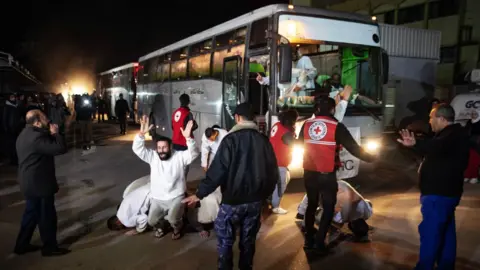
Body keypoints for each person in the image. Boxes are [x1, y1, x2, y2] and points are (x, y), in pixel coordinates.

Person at [183, 103, 279, 270]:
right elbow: (273, 173)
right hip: (255, 202)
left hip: (232, 202)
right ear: (254, 119)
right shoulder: (263, 141)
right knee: (248, 242)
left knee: (225, 242)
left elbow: (217, 172)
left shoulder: (230, 140)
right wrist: (264, 198)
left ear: (237, 118)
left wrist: (199, 194)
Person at [298, 97, 376, 253]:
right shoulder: (336, 126)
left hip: (309, 172)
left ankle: (308, 241)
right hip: (327, 174)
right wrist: (372, 158)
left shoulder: (306, 125)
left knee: (312, 205)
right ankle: (320, 242)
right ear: (333, 110)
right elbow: (354, 149)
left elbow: (300, 144)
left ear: (316, 109)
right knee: (328, 207)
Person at [397, 104, 469, 270]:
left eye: (431, 117)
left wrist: (415, 143)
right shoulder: (453, 135)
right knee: (446, 232)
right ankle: (445, 265)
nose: (429, 121)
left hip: (439, 194)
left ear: (442, 119)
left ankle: (425, 266)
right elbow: (434, 150)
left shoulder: (451, 136)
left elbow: (434, 147)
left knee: (431, 233)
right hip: (447, 193)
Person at [132, 115, 198, 240]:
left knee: (174, 219)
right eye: (159, 148)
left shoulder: (179, 156)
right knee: (151, 221)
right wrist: (141, 134)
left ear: (170, 147)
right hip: (158, 198)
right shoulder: (153, 156)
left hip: (176, 196)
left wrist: (188, 138)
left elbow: (194, 153)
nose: (161, 150)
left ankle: (178, 227)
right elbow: (137, 149)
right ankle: (162, 226)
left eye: (164, 147)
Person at [14, 110, 69, 256]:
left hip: (29, 182)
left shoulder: (24, 134)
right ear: (37, 122)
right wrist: (56, 133)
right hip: (40, 184)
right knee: (47, 217)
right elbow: (60, 148)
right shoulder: (36, 138)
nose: (48, 120)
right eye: (45, 118)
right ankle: (49, 247)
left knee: (31, 214)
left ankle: (21, 244)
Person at [300, 180, 373, 242]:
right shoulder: (366, 212)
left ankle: (333, 230)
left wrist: (304, 223)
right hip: (349, 208)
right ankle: (335, 228)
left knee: (319, 214)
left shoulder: (367, 212)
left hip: (340, 210)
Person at [269, 109, 298, 214]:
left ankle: (270, 201)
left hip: (272, 160)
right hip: (280, 162)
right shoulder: (286, 133)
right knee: (281, 185)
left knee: (277, 183)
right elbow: (293, 143)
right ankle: (275, 206)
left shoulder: (277, 125)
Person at [171, 93, 198, 179]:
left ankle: (175, 183)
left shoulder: (175, 112)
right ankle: (183, 187)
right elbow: (193, 126)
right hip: (184, 143)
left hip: (175, 142)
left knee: (176, 164)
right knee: (185, 166)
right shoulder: (188, 113)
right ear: (188, 102)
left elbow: (173, 126)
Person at [2, 93, 22, 165]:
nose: (13, 98)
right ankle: (12, 159)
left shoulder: (16, 106)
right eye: (11, 97)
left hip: (16, 128)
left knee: (16, 144)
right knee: (11, 145)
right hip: (10, 129)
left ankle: (15, 159)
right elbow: (5, 119)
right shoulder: (7, 107)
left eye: (14, 97)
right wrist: (6, 128)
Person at [464, 110, 480, 184]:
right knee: (469, 160)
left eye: (475, 114)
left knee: (475, 161)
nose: (474, 115)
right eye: (473, 114)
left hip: (477, 145)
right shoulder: (469, 122)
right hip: (469, 144)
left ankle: (474, 176)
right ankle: (468, 176)